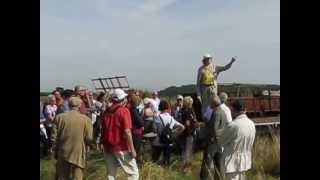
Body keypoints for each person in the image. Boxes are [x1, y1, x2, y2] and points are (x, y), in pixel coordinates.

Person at [100, 89, 139, 180]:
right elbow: (127, 132)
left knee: (111, 174)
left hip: (108, 146)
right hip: (121, 146)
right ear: (122, 99)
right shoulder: (123, 111)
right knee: (133, 173)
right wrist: (132, 149)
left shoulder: (106, 111)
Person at [51, 97, 93, 180]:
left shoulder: (59, 117)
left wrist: (55, 149)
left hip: (62, 151)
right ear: (80, 105)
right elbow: (89, 138)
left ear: (69, 105)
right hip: (78, 151)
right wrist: (88, 147)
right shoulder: (86, 119)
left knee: (63, 176)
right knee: (77, 177)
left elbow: (53, 137)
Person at [217, 100, 256, 180]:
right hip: (244, 160)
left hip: (232, 162)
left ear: (233, 110)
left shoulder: (233, 125)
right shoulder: (252, 124)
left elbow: (220, 141)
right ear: (245, 110)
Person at [196, 54, 236, 119]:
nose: (208, 60)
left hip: (213, 88)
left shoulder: (215, 67)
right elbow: (198, 83)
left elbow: (225, 67)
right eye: (206, 59)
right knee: (205, 105)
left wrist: (231, 62)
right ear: (204, 60)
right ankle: (205, 119)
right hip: (204, 88)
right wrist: (198, 94)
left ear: (211, 59)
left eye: (209, 58)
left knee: (215, 102)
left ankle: (215, 118)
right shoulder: (201, 69)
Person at [200, 96, 228, 180]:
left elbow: (214, 129)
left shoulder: (216, 113)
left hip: (213, 141)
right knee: (218, 164)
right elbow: (225, 126)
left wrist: (210, 138)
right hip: (220, 141)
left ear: (213, 103)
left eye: (210, 103)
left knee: (206, 163)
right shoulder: (222, 112)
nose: (209, 104)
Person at [152, 100, 185, 166]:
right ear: (167, 108)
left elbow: (154, 130)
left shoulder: (157, 118)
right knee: (166, 162)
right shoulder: (171, 118)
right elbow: (182, 127)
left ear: (159, 108)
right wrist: (173, 134)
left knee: (154, 161)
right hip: (168, 142)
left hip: (158, 142)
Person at [180, 96, 197, 169]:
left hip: (187, 133)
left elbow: (188, 122)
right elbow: (190, 122)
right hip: (190, 132)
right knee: (188, 149)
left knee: (186, 149)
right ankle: (186, 165)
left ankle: (185, 165)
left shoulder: (187, 111)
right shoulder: (190, 111)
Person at [128, 94, 144, 164]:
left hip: (133, 131)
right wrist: (142, 121)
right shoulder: (133, 110)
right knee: (136, 148)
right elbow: (139, 122)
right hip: (136, 132)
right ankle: (136, 163)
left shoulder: (130, 108)